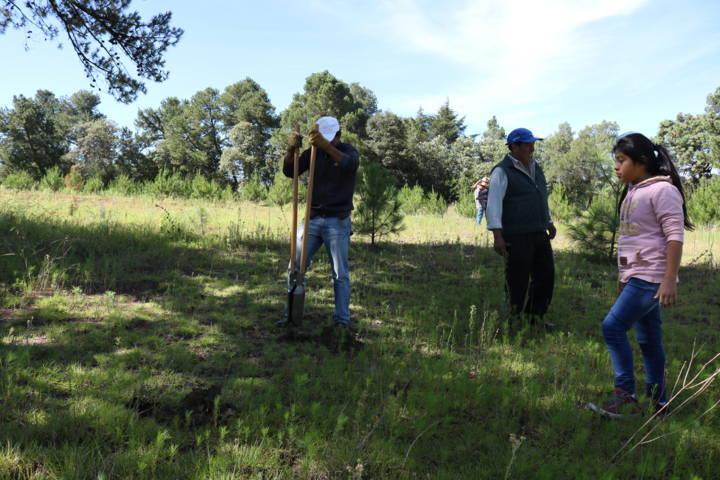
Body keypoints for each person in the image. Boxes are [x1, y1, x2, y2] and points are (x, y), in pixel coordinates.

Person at [588, 133, 693, 418]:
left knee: (612, 327)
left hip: (652, 277)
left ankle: (625, 394)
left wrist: (669, 278)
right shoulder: (634, 191)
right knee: (648, 340)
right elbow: (631, 241)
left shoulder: (663, 191)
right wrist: (623, 277)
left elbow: (674, 236)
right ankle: (659, 402)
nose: (616, 166)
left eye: (621, 161)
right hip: (637, 276)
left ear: (642, 161)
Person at [278, 116, 360, 332]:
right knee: (294, 266)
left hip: (337, 221)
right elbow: (290, 171)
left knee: (339, 273)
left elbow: (349, 165)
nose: (327, 143)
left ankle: (342, 321)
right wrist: (290, 150)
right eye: (324, 139)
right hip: (312, 217)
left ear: (338, 136)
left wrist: (325, 146)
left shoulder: (348, 151)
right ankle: (291, 316)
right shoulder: (313, 153)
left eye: (329, 139)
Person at [486, 128, 556, 323]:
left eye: (532, 143)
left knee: (546, 276)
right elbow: (493, 204)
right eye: (527, 144)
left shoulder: (536, 167)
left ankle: (535, 318)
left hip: (539, 232)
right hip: (516, 235)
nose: (531, 147)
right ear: (514, 147)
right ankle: (513, 319)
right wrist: (497, 236)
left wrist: (548, 221)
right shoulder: (502, 171)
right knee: (517, 279)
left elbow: (541, 197)